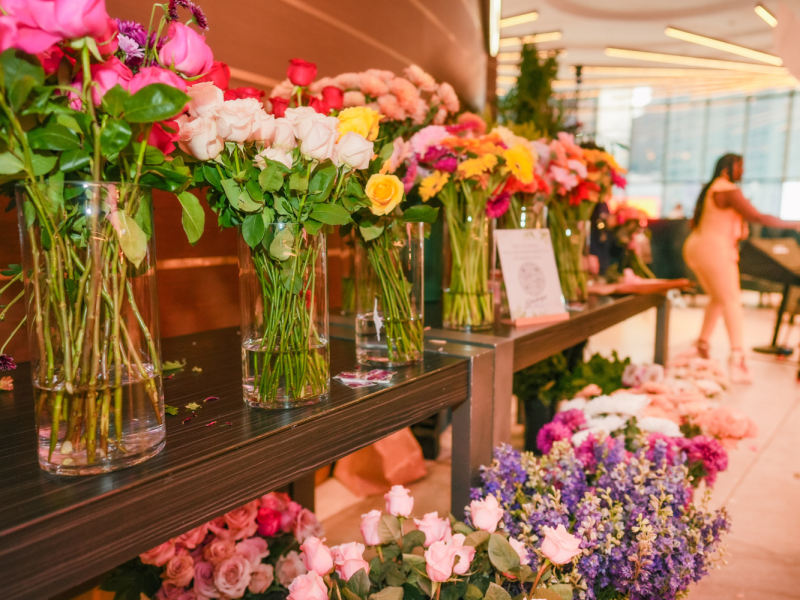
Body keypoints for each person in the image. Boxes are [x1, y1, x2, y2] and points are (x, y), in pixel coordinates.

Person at [683, 153, 800, 383]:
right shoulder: (727, 189)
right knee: (732, 300)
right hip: (714, 248)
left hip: (696, 246)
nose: (743, 171)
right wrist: (793, 224)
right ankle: (738, 358)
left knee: (718, 298)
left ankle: (702, 344)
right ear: (727, 168)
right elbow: (756, 216)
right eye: (740, 166)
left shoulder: (711, 188)